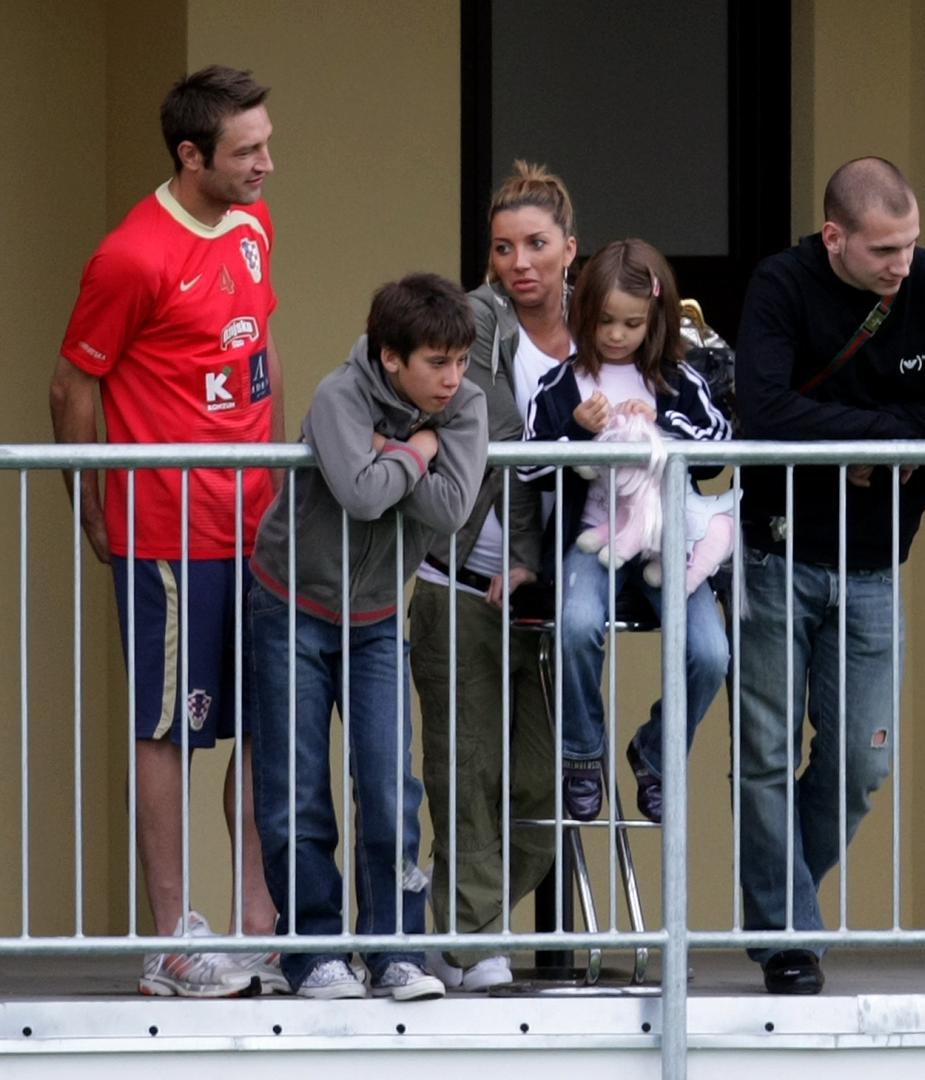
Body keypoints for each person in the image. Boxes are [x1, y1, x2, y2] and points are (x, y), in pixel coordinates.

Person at [733, 157, 925, 995]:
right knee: (763, 753)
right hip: (774, 553)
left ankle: (775, 906)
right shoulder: (782, 285)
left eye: (911, 244)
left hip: (874, 567)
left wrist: (884, 436)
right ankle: (790, 936)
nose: (903, 264)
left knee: (863, 763)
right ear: (836, 238)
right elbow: (766, 407)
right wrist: (867, 436)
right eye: (885, 249)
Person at [50, 65, 285, 997]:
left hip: (261, 525)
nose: (267, 162)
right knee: (169, 730)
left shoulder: (255, 222)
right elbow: (72, 385)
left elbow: (257, 354)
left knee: (272, 725)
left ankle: (262, 925)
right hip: (168, 528)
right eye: (247, 151)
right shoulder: (132, 255)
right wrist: (92, 506)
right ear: (192, 157)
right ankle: (172, 939)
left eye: (267, 142)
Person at [248, 272, 487, 1000]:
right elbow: (360, 491)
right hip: (291, 606)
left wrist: (398, 455)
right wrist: (417, 450)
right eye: (435, 363)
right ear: (390, 357)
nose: (453, 380)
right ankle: (313, 953)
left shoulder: (467, 405)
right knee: (297, 792)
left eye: (460, 361)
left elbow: (450, 511)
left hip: (378, 618)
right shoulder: (338, 395)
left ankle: (396, 952)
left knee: (390, 788)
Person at [407, 161, 572, 992]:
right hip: (454, 580)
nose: (520, 262)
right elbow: (466, 419)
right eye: (504, 246)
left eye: (537, 244)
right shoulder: (472, 320)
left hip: (545, 600)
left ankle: (439, 919)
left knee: (544, 790)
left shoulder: (602, 332)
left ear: (570, 248)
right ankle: (475, 944)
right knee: (463, 774)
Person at [522, 238, 731, 826]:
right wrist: (577, 430)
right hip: (595, 540)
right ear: (584, 316)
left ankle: (656, 754)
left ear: (655, 319)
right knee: (579, 623)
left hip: (667, 542)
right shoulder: (563, 382)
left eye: (631, 324)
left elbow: (717, 448)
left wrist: (662, 420)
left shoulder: (678, 380)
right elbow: (532, 466)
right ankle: (582, 753)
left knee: (711, 653)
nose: (616, 335)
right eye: (605, 321)